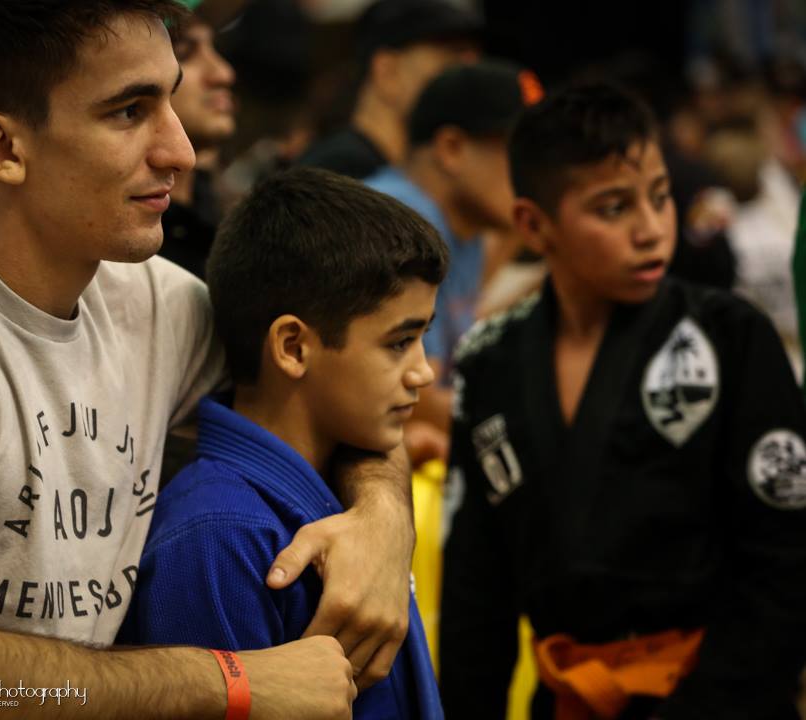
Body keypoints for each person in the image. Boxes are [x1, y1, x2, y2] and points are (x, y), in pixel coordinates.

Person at [0, 3, 418, 718]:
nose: (179, 150)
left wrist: (381, 520)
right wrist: (231, 683)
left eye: (169, 99)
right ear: (2, 148)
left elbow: (336, 393)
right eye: (128, 112)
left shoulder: (159, 305)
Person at [440, 83, 806, 720]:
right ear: (533, 223)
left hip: (719, 700)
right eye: (614, 208)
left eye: (660, 197)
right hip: (567, 701)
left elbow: (786, 565)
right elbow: (478, 595)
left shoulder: (730, 336)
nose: (651, 229)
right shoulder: (490, 363)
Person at [121, 167, 446, 718]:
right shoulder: (219, 540)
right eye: (399, 343)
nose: (423, 373)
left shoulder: (340, 475)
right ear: (293, 347)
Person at [366, 60, 541, 440]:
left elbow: (456, 339)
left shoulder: (467, 225)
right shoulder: (398, 220)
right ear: (452, 148)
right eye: (519, 153)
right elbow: (411, 389)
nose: (537, 175)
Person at [297, 0, 481, 180]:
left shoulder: (397, 171)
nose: (469, 80)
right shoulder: (339, 170)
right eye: (452, 62)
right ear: (387, 72)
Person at [157, 0, 236, 280]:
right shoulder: (119, 248)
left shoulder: (230, 216)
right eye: (185, 52)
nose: (224, 74)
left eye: (215, 47)